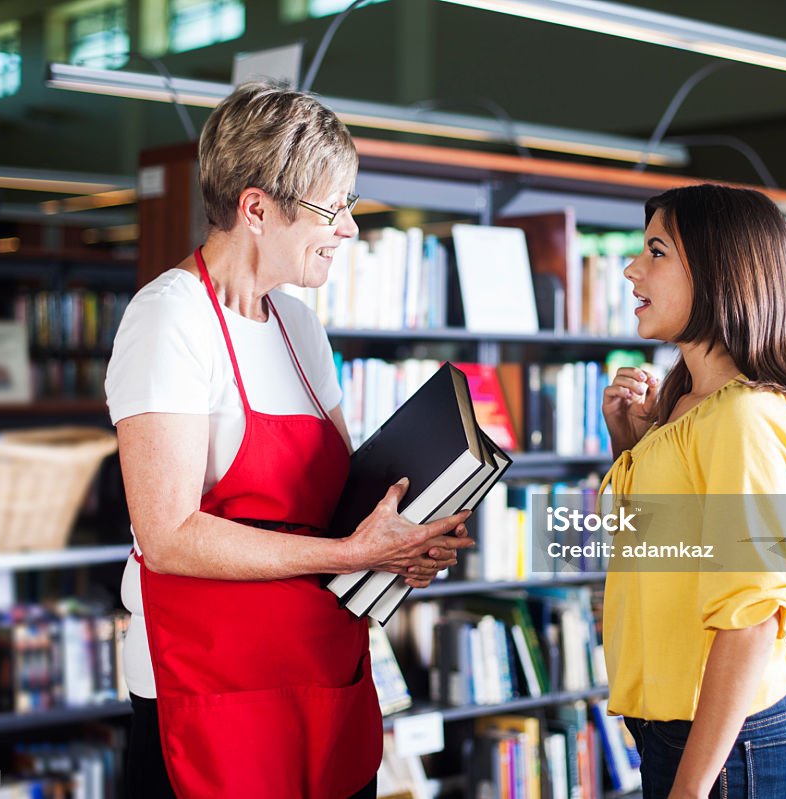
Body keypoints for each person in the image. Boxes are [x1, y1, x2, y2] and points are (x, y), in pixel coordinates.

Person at [104, 83, 474, 799]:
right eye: (332, 207)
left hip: (318, 674)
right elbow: (168, 533)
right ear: (255, 208)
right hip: (210, 693)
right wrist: (348, 555)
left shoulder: (299, 325)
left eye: (350, 206)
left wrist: (397, 547)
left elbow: (341, 501)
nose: (348, 229)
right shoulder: (169, 320)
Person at [599, 184, 786, 799]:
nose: (630, 268)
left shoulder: (746, 417)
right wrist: (632, 448)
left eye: (656, 251)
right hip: (675, 727)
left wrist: (691, 789)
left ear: (718, 271)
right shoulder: (685, 406)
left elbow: (750, 618)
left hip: (724, 738)